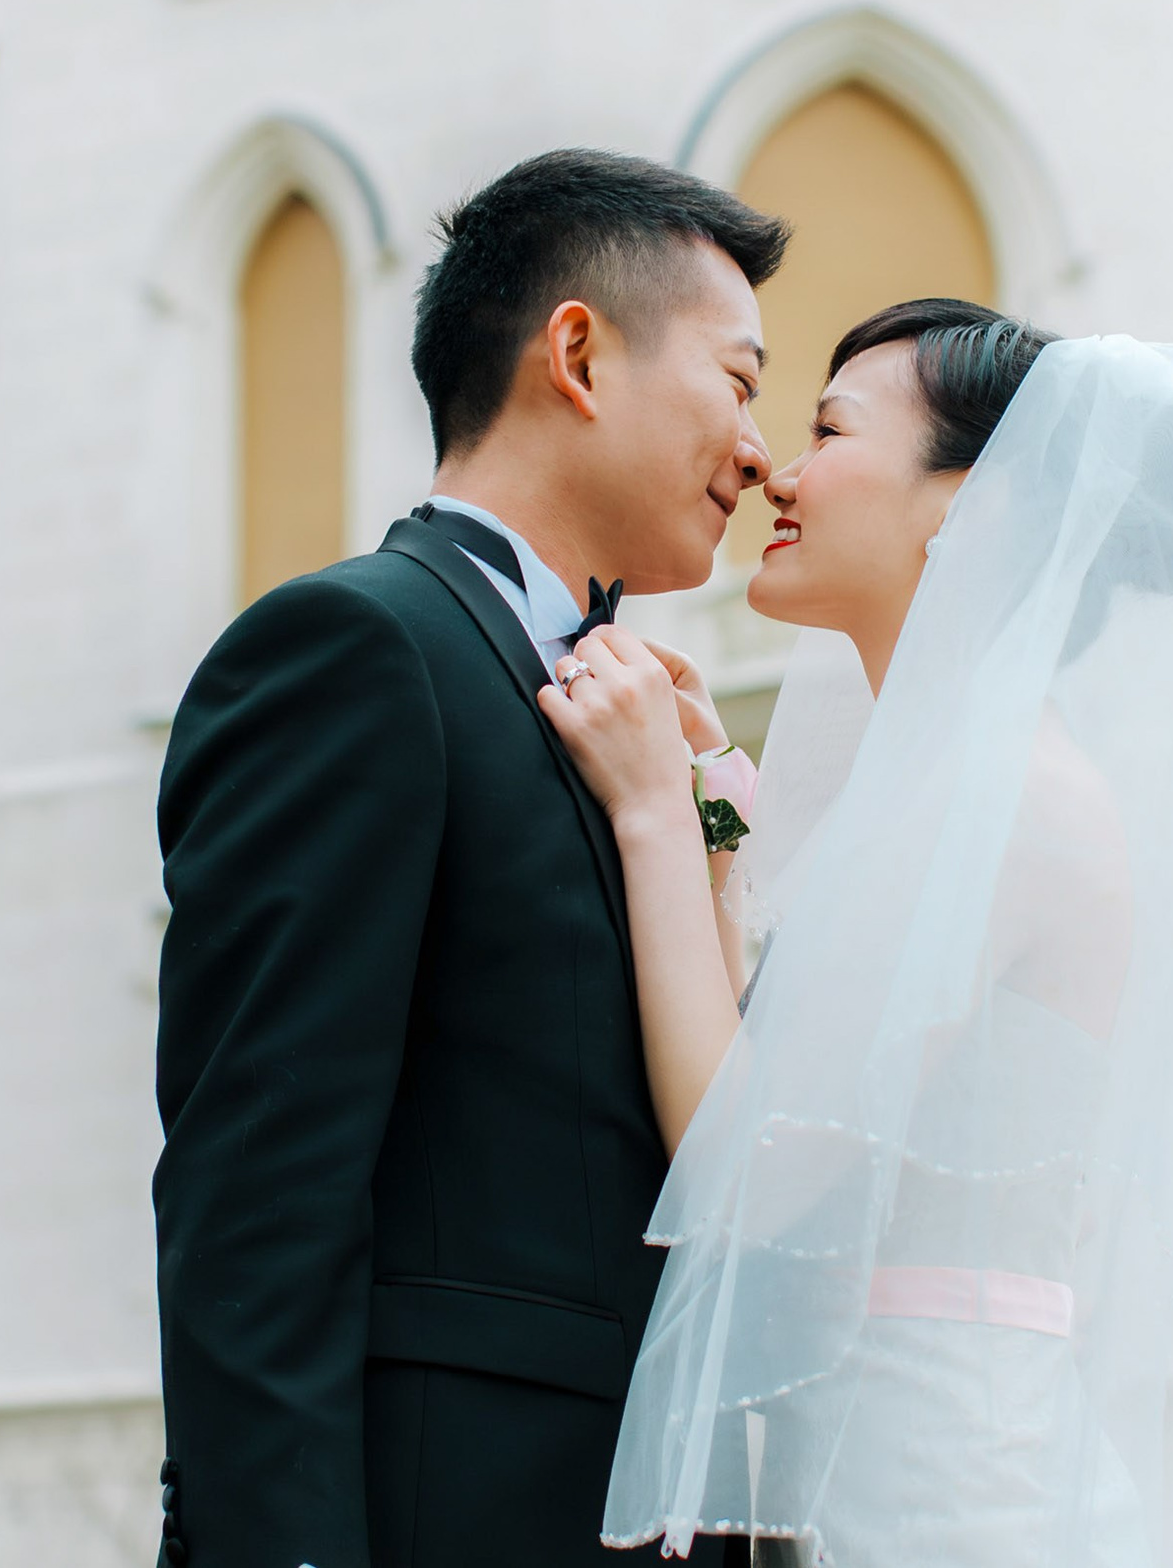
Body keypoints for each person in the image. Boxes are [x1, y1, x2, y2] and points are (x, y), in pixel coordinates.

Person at [542, 301, 1173, 1567]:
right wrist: (713, 821)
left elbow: (749, 1166)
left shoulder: (1005, 793)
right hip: (893, 1458)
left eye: (829, 431)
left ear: (972, 506)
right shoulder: (955, 774)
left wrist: (654, 809)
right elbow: (775, 1083)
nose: (777, 469)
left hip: (954, 1489)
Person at [151, 148, 787, 1568]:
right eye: (738, 382)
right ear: (580, 354)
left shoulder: (641, 714)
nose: (759, 453)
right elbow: (258, 1193)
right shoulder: (357, 651)